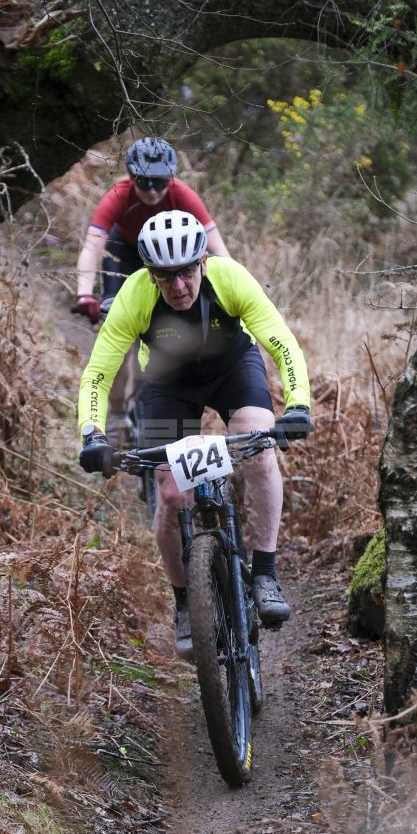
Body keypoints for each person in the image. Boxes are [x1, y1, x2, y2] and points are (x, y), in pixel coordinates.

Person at [77, 210, 313, 659]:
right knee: (171, 494)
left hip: (232, 371)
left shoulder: (230, 279)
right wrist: (92, 433)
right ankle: (186, 600)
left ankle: (265, 573)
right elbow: (97, 375)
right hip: (168, 384)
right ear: (150, 274)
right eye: (166, 276)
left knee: (261, 450)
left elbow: (281, 342)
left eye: (186, 272)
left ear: (203, 262)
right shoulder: (134, 296)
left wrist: (298, 404)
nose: (179, 286)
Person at [74, 138, 231, 431]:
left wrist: (231, 287)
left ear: (171, 178)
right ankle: (118, 412)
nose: (151, 190)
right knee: (119, 335)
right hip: (124, 254)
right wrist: (84, 293)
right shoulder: (118, 194)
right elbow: (93, 246)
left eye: (159, 182)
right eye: (142, 181)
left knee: (163, 337)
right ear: (130, 177)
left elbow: (218, 249)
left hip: (170, 263)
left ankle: (148, 400)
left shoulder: (182, 194)